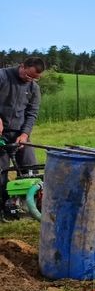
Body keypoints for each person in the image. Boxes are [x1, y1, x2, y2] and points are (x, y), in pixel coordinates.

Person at [0, 57, 44, 211]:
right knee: (1, 172)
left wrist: (25, 134)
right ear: (22, 66)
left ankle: (31, 205)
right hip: (1, 134)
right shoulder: (3, 76)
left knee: (31, 167)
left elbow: (32, 113)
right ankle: (4, 207)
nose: (31, 80)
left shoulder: (33, 88)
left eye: (35, 78)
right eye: (29, 75)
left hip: (19, 134)